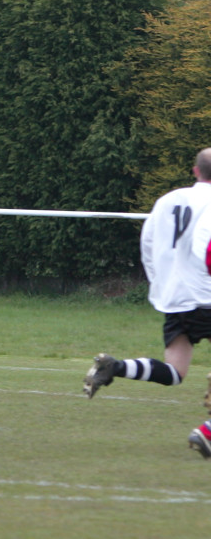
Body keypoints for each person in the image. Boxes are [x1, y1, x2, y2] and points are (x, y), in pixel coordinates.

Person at [82, 147, 211, 459]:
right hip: (205, 295)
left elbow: (148, 242)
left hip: (174, 297)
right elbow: (205, 249)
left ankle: (116, 367)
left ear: (195, 171)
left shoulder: (167, 201)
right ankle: (207, 432)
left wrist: (160, 284)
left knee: (175, 372)